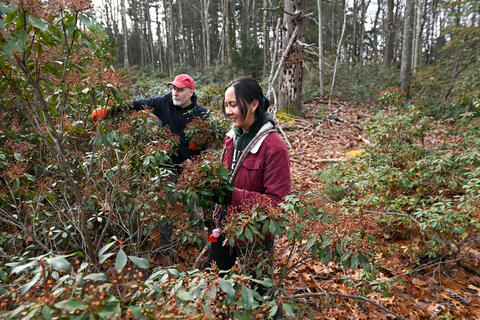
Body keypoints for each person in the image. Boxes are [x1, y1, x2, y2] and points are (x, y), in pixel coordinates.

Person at [203, 76, 291, 272]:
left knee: (258, 296)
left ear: (254, 105)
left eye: (233, 105)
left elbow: (278, 204)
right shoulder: (232, 137)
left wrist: (233, 196)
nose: (228, 112)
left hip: (255, 238)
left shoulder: (273, 147)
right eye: (226, 105)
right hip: (224, 230)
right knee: (211, 285)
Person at [90, 74, 208, 166]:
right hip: (164, 165)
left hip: (189, 169)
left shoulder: (201, 113)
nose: (175, 93)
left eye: (180, 90)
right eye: (174, 88)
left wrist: (201, 143)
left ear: (191, 92)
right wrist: (110, 111)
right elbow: (137, 104)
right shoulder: (163, 102)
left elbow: (212, 141)